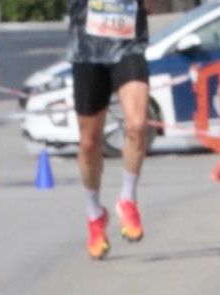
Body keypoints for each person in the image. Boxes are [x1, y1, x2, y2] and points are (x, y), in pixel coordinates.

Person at [69, 0, 151, 258]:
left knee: (137, 124)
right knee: (89, 142)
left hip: (129, 45)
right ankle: (94, 213)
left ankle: (127, 198)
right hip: (87, 50)